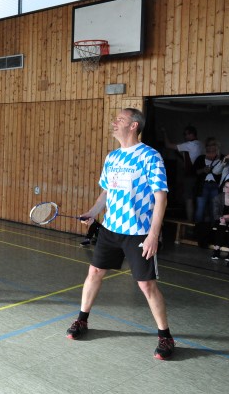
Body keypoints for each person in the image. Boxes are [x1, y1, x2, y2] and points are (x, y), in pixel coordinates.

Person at [68, 108, 175, 360]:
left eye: (120, 120)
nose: (114, 123)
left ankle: (165, 336)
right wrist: (93, 212)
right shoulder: (112, 157)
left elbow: (161, 198)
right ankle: (82, 319)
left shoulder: (150, 156)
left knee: (146, 284)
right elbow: (107, 191)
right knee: (94, 272)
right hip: (110, 229)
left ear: (134, 125)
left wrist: (153, 235)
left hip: (139, 232)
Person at [161, 125, 204, 221]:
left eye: (185, 134)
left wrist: (164, 132)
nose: (184, 136)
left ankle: (189, 223)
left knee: (189, 199)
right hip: (201, 175)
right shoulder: (201, 144)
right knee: (198, 199)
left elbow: (168, 145)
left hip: (191, 175)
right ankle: (197, 222)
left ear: (191, 134)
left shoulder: (189, 145)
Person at [193, 138, 225, 222]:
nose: (210, 147)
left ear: (217, 146)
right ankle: (197, 228)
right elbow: (193, 172)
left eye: (212, 145)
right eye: (208, 145)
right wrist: (203, 170)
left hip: (216, 186)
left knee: (214, 209)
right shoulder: (201, 158)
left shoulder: (222, 157)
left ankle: (213, 229)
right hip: (203, 185)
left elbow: (226, 172)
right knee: (200, 209)